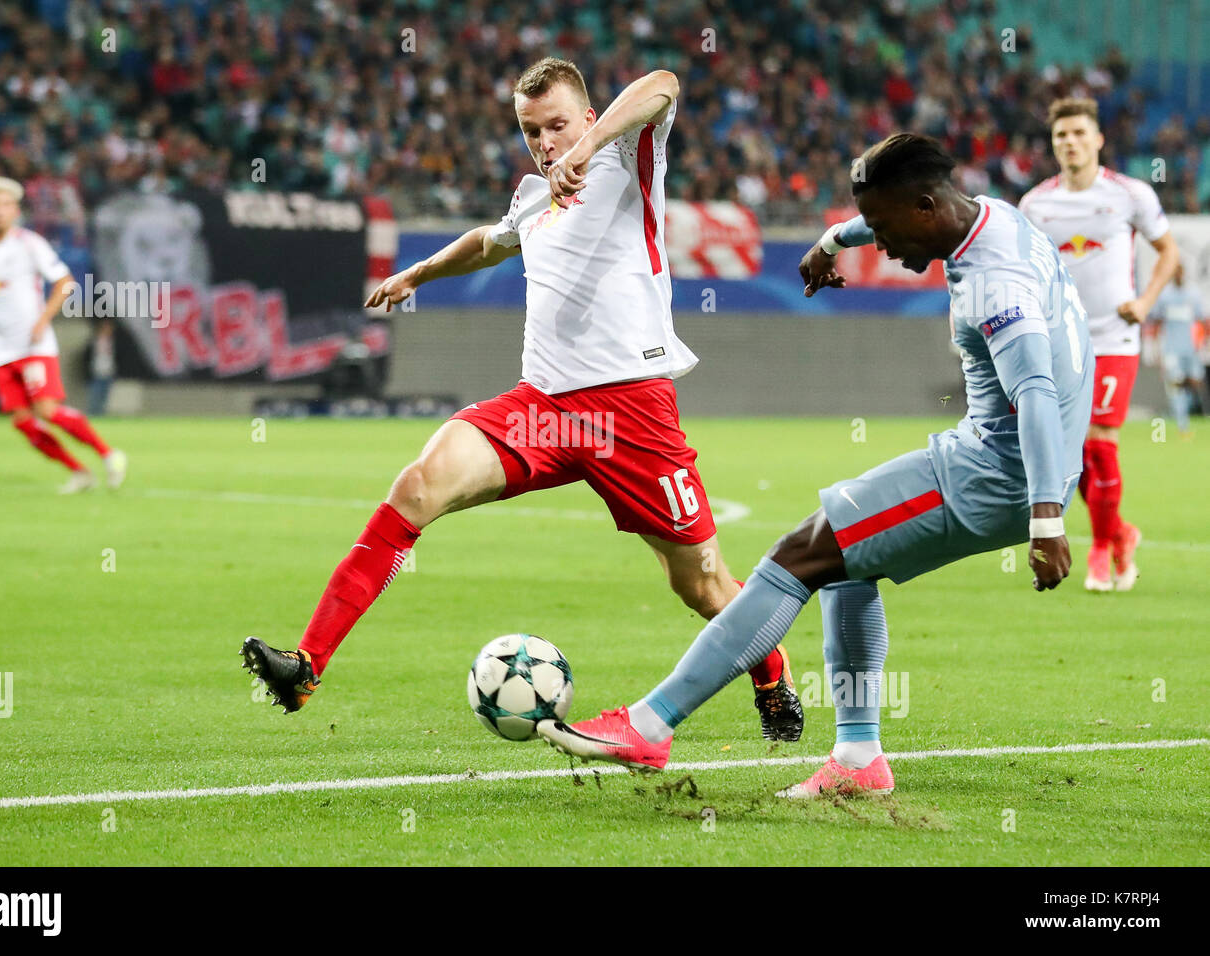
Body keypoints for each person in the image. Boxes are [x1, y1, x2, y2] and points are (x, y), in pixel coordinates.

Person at [240, 59, 801, 743]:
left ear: (588, 119)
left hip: (631, 412)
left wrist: (587, 151)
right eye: (532, 131)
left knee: (702, 584)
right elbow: (488, 241)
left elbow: (664, 83)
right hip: (540, 409)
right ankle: (306, 667)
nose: (545, 142)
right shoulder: (535, 197)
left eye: (558, 125)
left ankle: (772, 674)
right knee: (418, 484)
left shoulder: (626, 157)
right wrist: (417, 273)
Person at [538, 134, 1091, 797]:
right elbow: (885, 219)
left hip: (1000, 477)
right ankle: (859, 757)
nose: (881, 247)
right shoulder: (995, 216)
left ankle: (650, 725)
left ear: (924, 206)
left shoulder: (996, 288)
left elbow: (1034, 390)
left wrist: (1047, 521)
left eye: (885, 230)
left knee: (798, 555)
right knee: (848, 564)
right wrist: (836, 240)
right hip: (1014, 463)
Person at [1018, 97, 1179, 592]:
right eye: (1061, 135)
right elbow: (1021, 267)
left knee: (1102, 442)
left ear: (1098, 139)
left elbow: (1168, 252)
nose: (1070, 142)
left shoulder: (1129, 194)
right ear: (1053, 144)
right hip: (1058, 342)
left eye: (1079, 133)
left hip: (1114, 337)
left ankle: (1101, 550)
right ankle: (1122, 533)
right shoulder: (1034, 204)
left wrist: (1147, 300)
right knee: (1069, 454)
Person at [0, 177, 127, 493]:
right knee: (22, 421)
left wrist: (43, 319)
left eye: (5, 205)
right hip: (2, 350)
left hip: (34, 345)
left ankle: (109, 454)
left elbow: (65, 282)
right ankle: (79, 472)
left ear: (15, 210)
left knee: (46, 410)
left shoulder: (29, 243)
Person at [1149, 263, 1207, 436]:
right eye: (1176, 272)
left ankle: (1184, 413)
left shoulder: (1194, 295)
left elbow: (1201, 321)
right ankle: (1183, 424)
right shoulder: (1165, 296)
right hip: (1171, 349)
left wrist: (1202, 344)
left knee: (1195, 382)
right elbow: (1157, 322)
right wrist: (1155, 348)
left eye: (1181, 272)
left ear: (1185, 273)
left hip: (1191, 348)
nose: (1179, 275)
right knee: (1174, 385)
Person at [87, 318, 116, 416]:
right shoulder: (94, 341)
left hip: (108, 373)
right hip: (96, 373)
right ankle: (93, 414)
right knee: (95, 396)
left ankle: (100, 415)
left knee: (104, 396)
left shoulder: (113, 342)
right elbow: (87, 357)